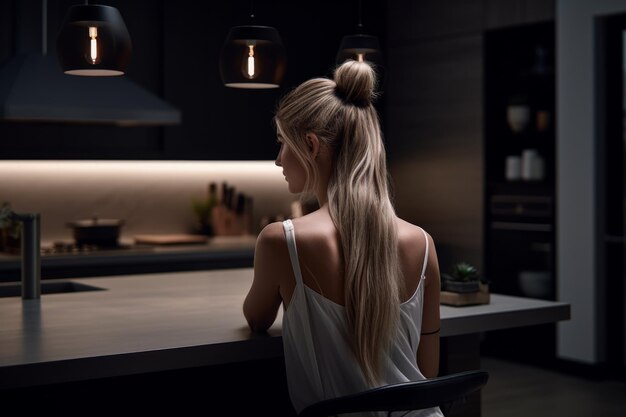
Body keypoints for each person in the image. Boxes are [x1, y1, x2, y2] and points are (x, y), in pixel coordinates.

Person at [243, 59, 443, 416]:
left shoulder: (282, 241)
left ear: (311, 145)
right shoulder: (422, 243)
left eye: (282, 143)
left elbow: (257, 320)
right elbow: (426, 374)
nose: (278, 160)